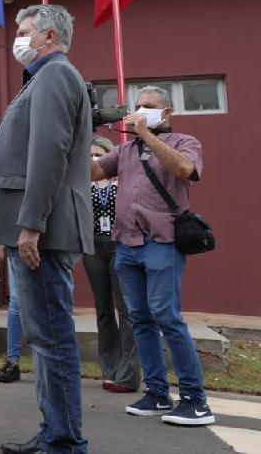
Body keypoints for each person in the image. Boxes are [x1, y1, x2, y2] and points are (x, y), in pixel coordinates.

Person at [0, 4, 93, 454]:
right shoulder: (44, 78)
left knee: (52, 340)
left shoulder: (54, 76)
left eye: (25, 31)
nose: (19, 39)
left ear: (48, 36)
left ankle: (64, 442)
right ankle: (55, 433)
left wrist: (30, 224)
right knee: (46, 339)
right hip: (30, 231)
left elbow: (49, 153)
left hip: (40, 234)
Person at [92, 86, 215, 426]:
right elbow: (92, 173)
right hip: (126, 245)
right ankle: (157, 393)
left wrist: (147, 133)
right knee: (141, 319)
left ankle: (195, 400)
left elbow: (183, 170)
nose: (141, 110)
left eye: (149, 106)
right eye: (138, 106)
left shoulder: (184, 142)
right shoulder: (126, 150)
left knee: (167, 317)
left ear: (166, 114)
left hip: (161, 242)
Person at [84, 136, 140, 394]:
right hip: (93, 247)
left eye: (99, 154)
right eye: (91, 154)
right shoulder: (86, 183)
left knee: (125, 309)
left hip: (120, 245)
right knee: (103, 310)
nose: (95, 159)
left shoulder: (124, 181)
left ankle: (128, 372)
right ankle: (109, 368)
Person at [0, 244, 23, 384]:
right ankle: (13, 362)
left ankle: (47, 364)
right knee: (16, 300)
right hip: (15, 244)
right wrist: (0, 245)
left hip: (46, 244)